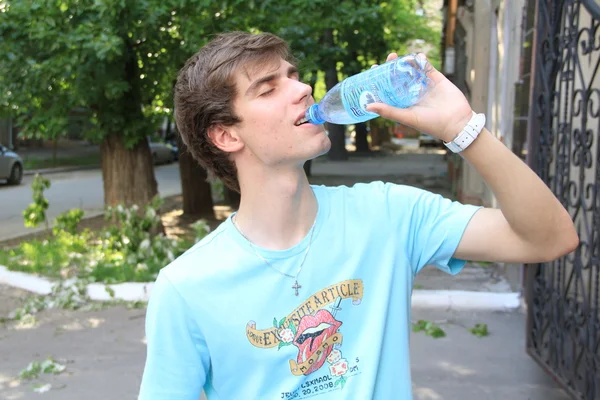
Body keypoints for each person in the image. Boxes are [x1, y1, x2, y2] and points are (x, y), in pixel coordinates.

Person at [138, 31, 578, 400]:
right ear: (225, 134)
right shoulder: (186, 287)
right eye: (269, 88)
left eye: (293, 75)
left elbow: (549, 238)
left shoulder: (388, 213)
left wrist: (461, 128)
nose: (302, 88)